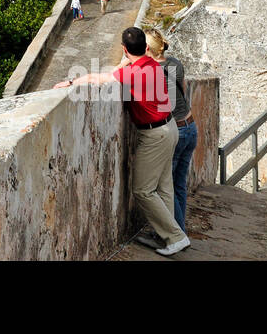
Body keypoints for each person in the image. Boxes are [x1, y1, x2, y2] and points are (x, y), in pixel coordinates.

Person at [53, 27, 189, 256]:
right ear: (146, 48)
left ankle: (175, 237)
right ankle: (166, 236)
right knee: (164, 187)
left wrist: (70, 81)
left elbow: (99, 78)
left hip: (154, 135)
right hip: (171, 127)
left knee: (143, 190)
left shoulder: (131, 75)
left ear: (125, 50)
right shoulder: (153, 64)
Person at [146, 29, 196, 235]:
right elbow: (181, 90)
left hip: (176, 131)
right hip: (191, 126)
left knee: (164, 187)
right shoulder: (175, 63)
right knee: (179, 185)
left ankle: (176, 233)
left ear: (146, 48)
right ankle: (180, 229)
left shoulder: (150, 71)